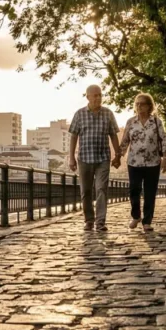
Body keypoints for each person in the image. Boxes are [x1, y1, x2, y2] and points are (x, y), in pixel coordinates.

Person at [69, 85, 121, 232]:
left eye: (100, 95)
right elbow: (74, 136)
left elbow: (113, 135)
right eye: (95, 95)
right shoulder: (79, 114)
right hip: (84, 158)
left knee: (101, 189)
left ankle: (100, 222)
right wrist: (71, 158)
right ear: (88, 97)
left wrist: (117, 155)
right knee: (85, 191)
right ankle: (89, 221)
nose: (98, 98)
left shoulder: (108, 114)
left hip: (103, 158)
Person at [119, 93, 166, 232]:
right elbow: (124, 141)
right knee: (134, 190)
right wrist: (118, 157)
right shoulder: (131, 122)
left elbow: (163, 140)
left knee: (150, 192)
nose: (139, 106)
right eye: (137, 104)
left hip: (153, 162)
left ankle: (147, 221)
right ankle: (136, 216)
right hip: (134, 162)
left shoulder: (156, 122)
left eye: (142, 104)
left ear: (149, 106)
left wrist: (165, 159)